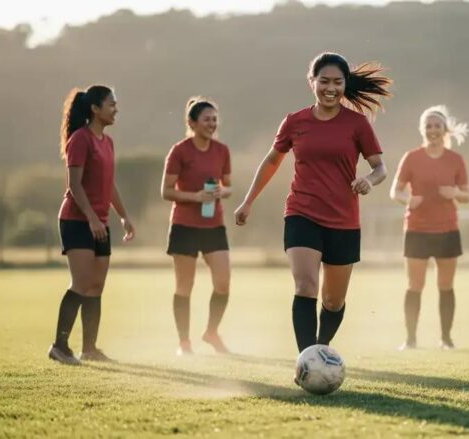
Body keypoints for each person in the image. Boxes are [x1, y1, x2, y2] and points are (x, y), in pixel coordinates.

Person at [233, 52, 391, 354]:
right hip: (301, 213)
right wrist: (248, 200)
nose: (330, 88)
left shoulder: (357, 124)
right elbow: (271, 161)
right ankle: (306, 358)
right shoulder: (295, 122)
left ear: (345, 84)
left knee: (333, 301)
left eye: (337, 82)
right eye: (324, 81)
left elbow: (380, 168)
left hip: (344, 220)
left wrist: (368, 181)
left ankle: (320, 349)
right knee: (305, 286)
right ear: (311, 82)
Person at [49, 85, 135, 365]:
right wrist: (92, 217)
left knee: (96, 285)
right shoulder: (80, 139)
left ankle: (90, 349)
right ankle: (60, 347)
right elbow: (74, 185)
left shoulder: (107, 143)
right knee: (82, 282)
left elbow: (109, 186)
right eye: (111, 104)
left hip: (100, 222)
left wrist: (123, 216)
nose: (116, 109)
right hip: (76, 220)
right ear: (95, 109)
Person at [389, 105, 469, 350]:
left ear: (444, 129)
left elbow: (466, 196)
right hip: (416, 229)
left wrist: (455, 192)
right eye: (428, 126)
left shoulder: (456, 160)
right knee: (415, 286)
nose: (433, 130)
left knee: (446, 286)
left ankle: (446, 339)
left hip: (447, 230)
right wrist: (408, 200)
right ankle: (410, 339)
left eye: (437, 125)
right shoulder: (411, 157)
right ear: (422, 130)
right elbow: (395, 191)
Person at [161, 98, 234, 356]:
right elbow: (166, 191)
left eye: (215, 119)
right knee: (184, 286)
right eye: (206, 119)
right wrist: (195, 197)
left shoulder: (222, 150)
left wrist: (220, 192)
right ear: (192, 123)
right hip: (185, 226)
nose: (212, 124)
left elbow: (228, 186)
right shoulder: (179, 151)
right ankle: (184, 343)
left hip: (214, 225)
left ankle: (211, 332)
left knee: (223, 283)